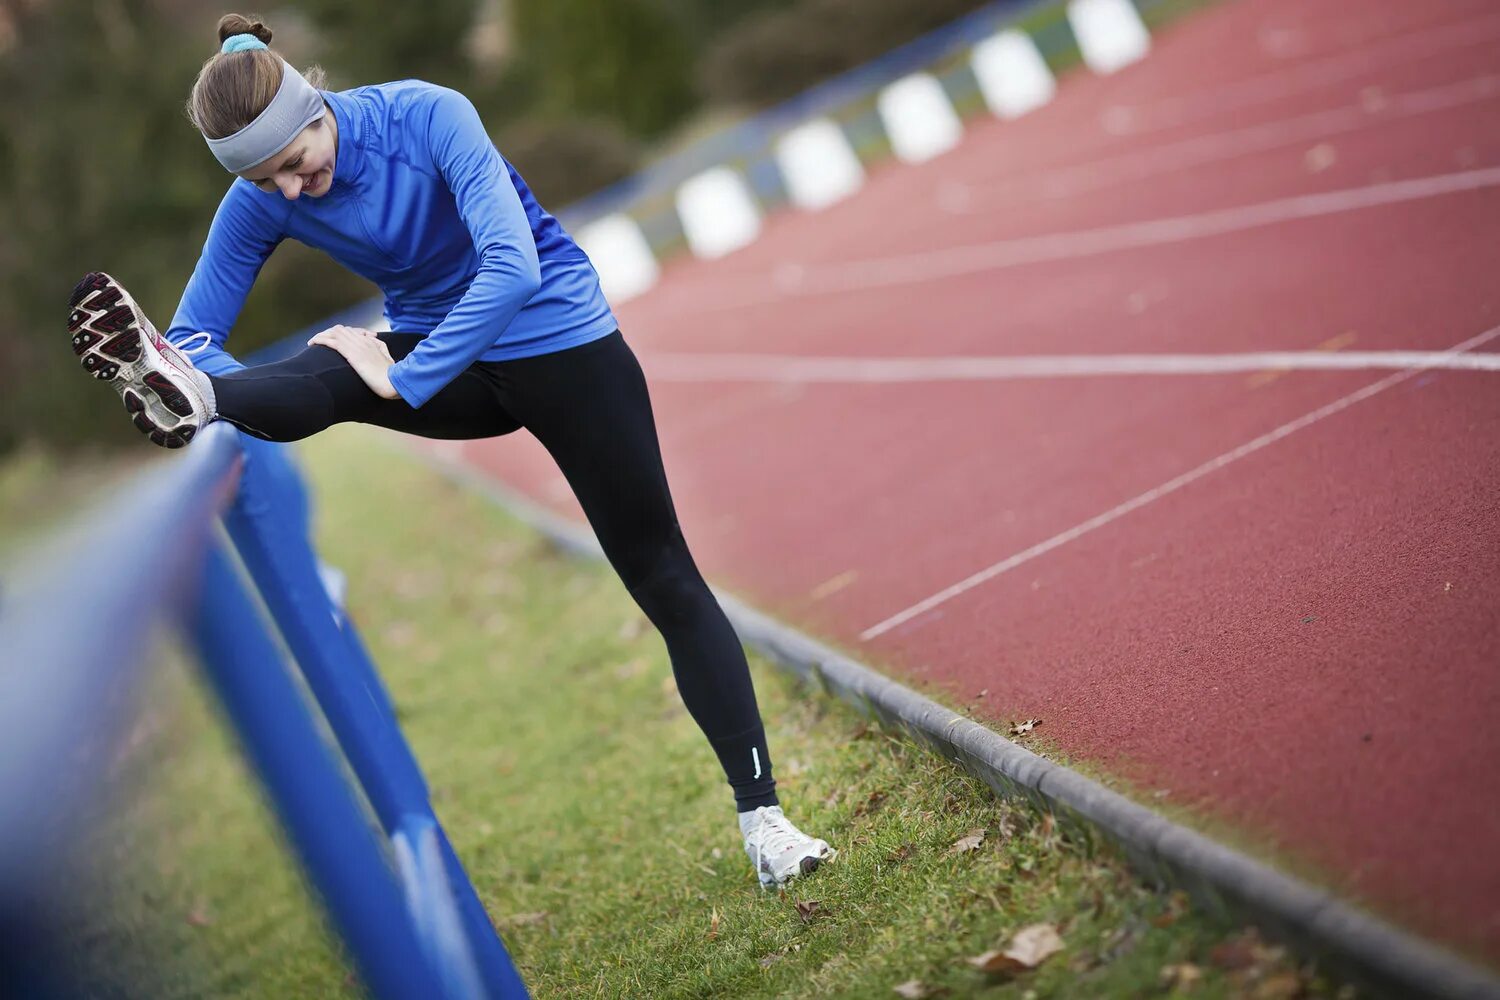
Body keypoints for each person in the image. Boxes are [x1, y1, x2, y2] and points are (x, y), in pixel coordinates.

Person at [66, 13, 834, 890]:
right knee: (322, 370)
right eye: (265, 181)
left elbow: (512, 264)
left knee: (661, 574)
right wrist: (192, 367)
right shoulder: (263, 199)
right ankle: (198, 406)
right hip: (445, 361)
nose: (289, 191)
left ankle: (765, 821)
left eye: (293, 161)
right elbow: (195, 331)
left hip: (557, 344)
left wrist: (406, 375)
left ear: (314, 106)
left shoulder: (427, 114)